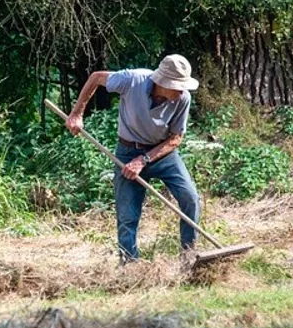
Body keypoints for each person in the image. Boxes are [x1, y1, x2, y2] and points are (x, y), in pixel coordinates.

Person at [65, 54, 201, 263]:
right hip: (128, 152)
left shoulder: (183, 99)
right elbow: (95, 77)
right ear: (162, 82)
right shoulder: (132, 80)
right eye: (177, 85)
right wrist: (76, 113)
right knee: (127, 214)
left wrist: (144, 160)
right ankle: (130, 266)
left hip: (162, 154)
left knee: (190, 198)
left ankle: (190, 259)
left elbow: (176, 139)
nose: (182, 90)